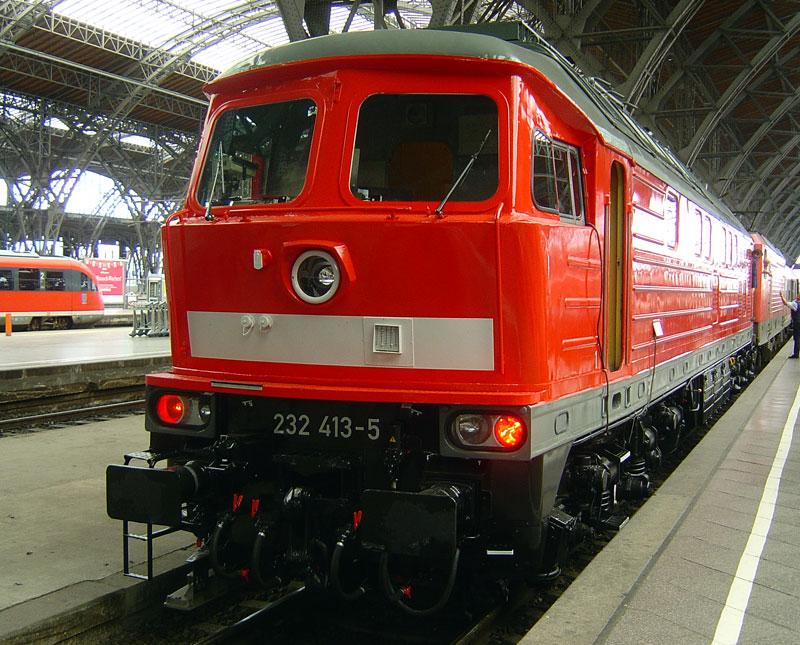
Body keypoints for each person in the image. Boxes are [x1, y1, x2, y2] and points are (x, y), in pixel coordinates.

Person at [780, 292, 800, 358]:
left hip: (797, 323)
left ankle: (795, 354)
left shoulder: (795, 304)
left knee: (797, 339)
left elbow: (785, 303)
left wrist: (782, 296)